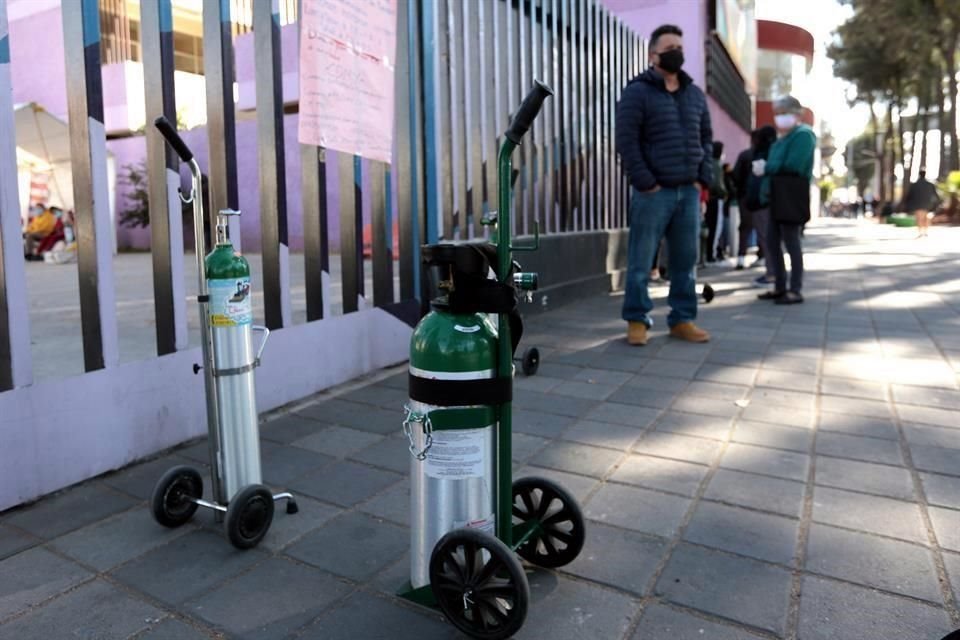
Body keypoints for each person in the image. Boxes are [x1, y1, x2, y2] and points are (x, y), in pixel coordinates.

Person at [615, 23, 713, 346]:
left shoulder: (695, 95)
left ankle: (682, 319)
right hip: (653, 193)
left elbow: (706, 139)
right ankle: (637, 320)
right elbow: (627, 141)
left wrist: (703, 179)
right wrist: (645, 182)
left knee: (686, 262)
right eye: (670, 48)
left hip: (688, 191)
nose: (677, 54)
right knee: (641, 261)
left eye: (680, 49)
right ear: (653, 54)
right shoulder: (637, 92)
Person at [754, 96, 816, 305]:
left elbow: (794, 165)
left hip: (790, 196)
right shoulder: (782, 138)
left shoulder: (803, 135)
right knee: (771, 242)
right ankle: (780, 287)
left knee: (792, 242)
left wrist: (767, 167)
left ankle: (795, 289)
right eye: (777, 113)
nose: (779, 117)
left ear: (795, 113)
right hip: (775, 196)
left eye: (782, 112)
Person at [704, 141, 727, 263]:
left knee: (709, 227)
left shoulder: (708, 162)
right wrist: (724, 193)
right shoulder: (717, 164)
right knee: (715, 228)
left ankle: (709, 254)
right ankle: (711, 255)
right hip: (715, 199)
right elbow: (717, 184)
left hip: (707, 199)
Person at [901, 170, 940, 237]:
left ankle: (920, 232)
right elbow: (936, 195)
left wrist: (906, 204)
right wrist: (937, 204)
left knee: (919, 218)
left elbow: (909, 195)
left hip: (917, 204)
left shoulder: (914, 185)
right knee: (926, 218)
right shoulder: (930, 185)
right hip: (928, 204)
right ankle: (925, 231)